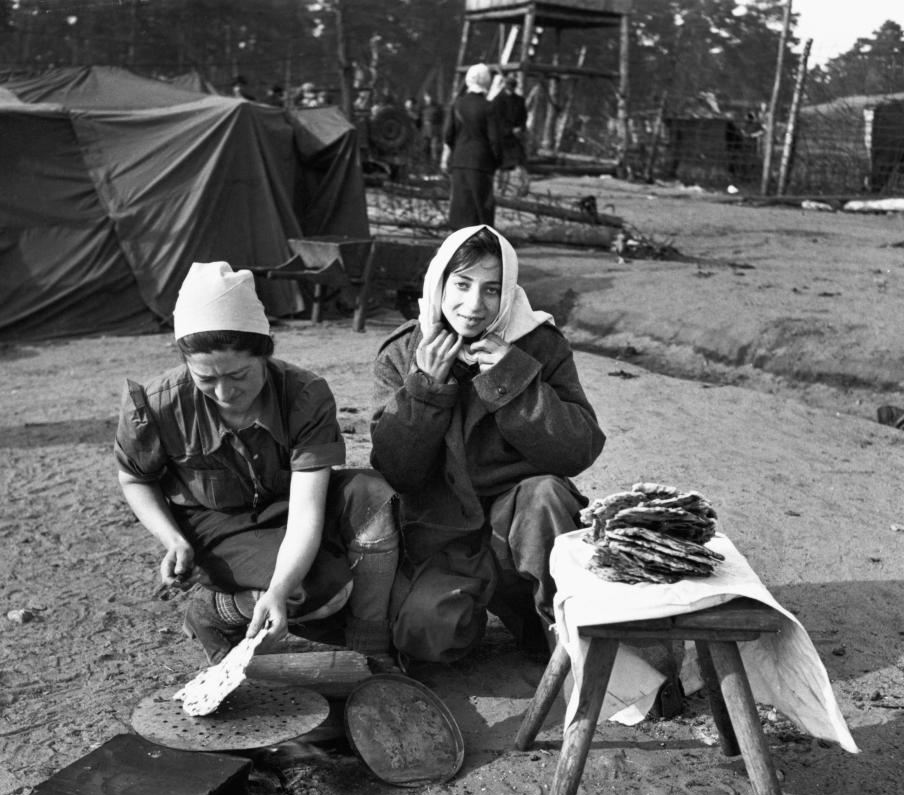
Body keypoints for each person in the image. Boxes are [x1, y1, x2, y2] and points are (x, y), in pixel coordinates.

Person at [115, 262, 399, 668]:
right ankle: (212, 613)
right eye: (205, 379)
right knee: (319, 587)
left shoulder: (303, 395)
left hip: (288, 509)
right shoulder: (160, 403)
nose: (225, 392)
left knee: (372, 496)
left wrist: (278, 589)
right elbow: (135, 478)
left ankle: (370, 645)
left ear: (266, 352)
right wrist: (173, 540)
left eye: (239, 375)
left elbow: (304, 513)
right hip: (213, 525)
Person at [370, 226, 605, 664]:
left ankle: (563, 636)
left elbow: (578, 451)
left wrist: (513, 379)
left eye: (492, 290)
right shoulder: (403, 352)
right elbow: (395, 471)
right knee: (425, 637)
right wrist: (425, 389)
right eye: (461, 285)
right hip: (442, 534)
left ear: (509, 293)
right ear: (439, 283)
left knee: (547, 494)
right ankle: (467, 606)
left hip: (524, 530)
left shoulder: (539, 344)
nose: (474, 305)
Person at [441, 63, 502, 229]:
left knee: (460, 206)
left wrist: (456, 151)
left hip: (459, 161)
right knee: (481, 208)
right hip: (482, 163)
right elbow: (495, 140)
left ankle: (459, 242)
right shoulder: (489, 107)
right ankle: (481, 246)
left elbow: (447, 135)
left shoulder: (456, 104)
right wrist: (498, 161)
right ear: (487, 82)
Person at [494, 76, 530, 196]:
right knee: (504, 165)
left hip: (517, 137)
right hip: (503, 137)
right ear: (505, 86)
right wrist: (509, 130)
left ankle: (524, 188)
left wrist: (521, 128)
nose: (511, 88)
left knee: (521, 162)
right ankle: (502, 188)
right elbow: (497, 120)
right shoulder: (498, 100)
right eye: (509, 85)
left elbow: (524, 117)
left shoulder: (519, 100)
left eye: (513, 85)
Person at [419, 91, 444, 166]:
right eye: (427, 97)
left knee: (434, 149)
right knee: (425, 148)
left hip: (435, 131)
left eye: (429, 97)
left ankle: (435, 165)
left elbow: (441, 119)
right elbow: (420, 120)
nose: (428, 99)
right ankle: (425, 165)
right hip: (425, 131)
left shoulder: (438, 107)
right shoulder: (423, 108)